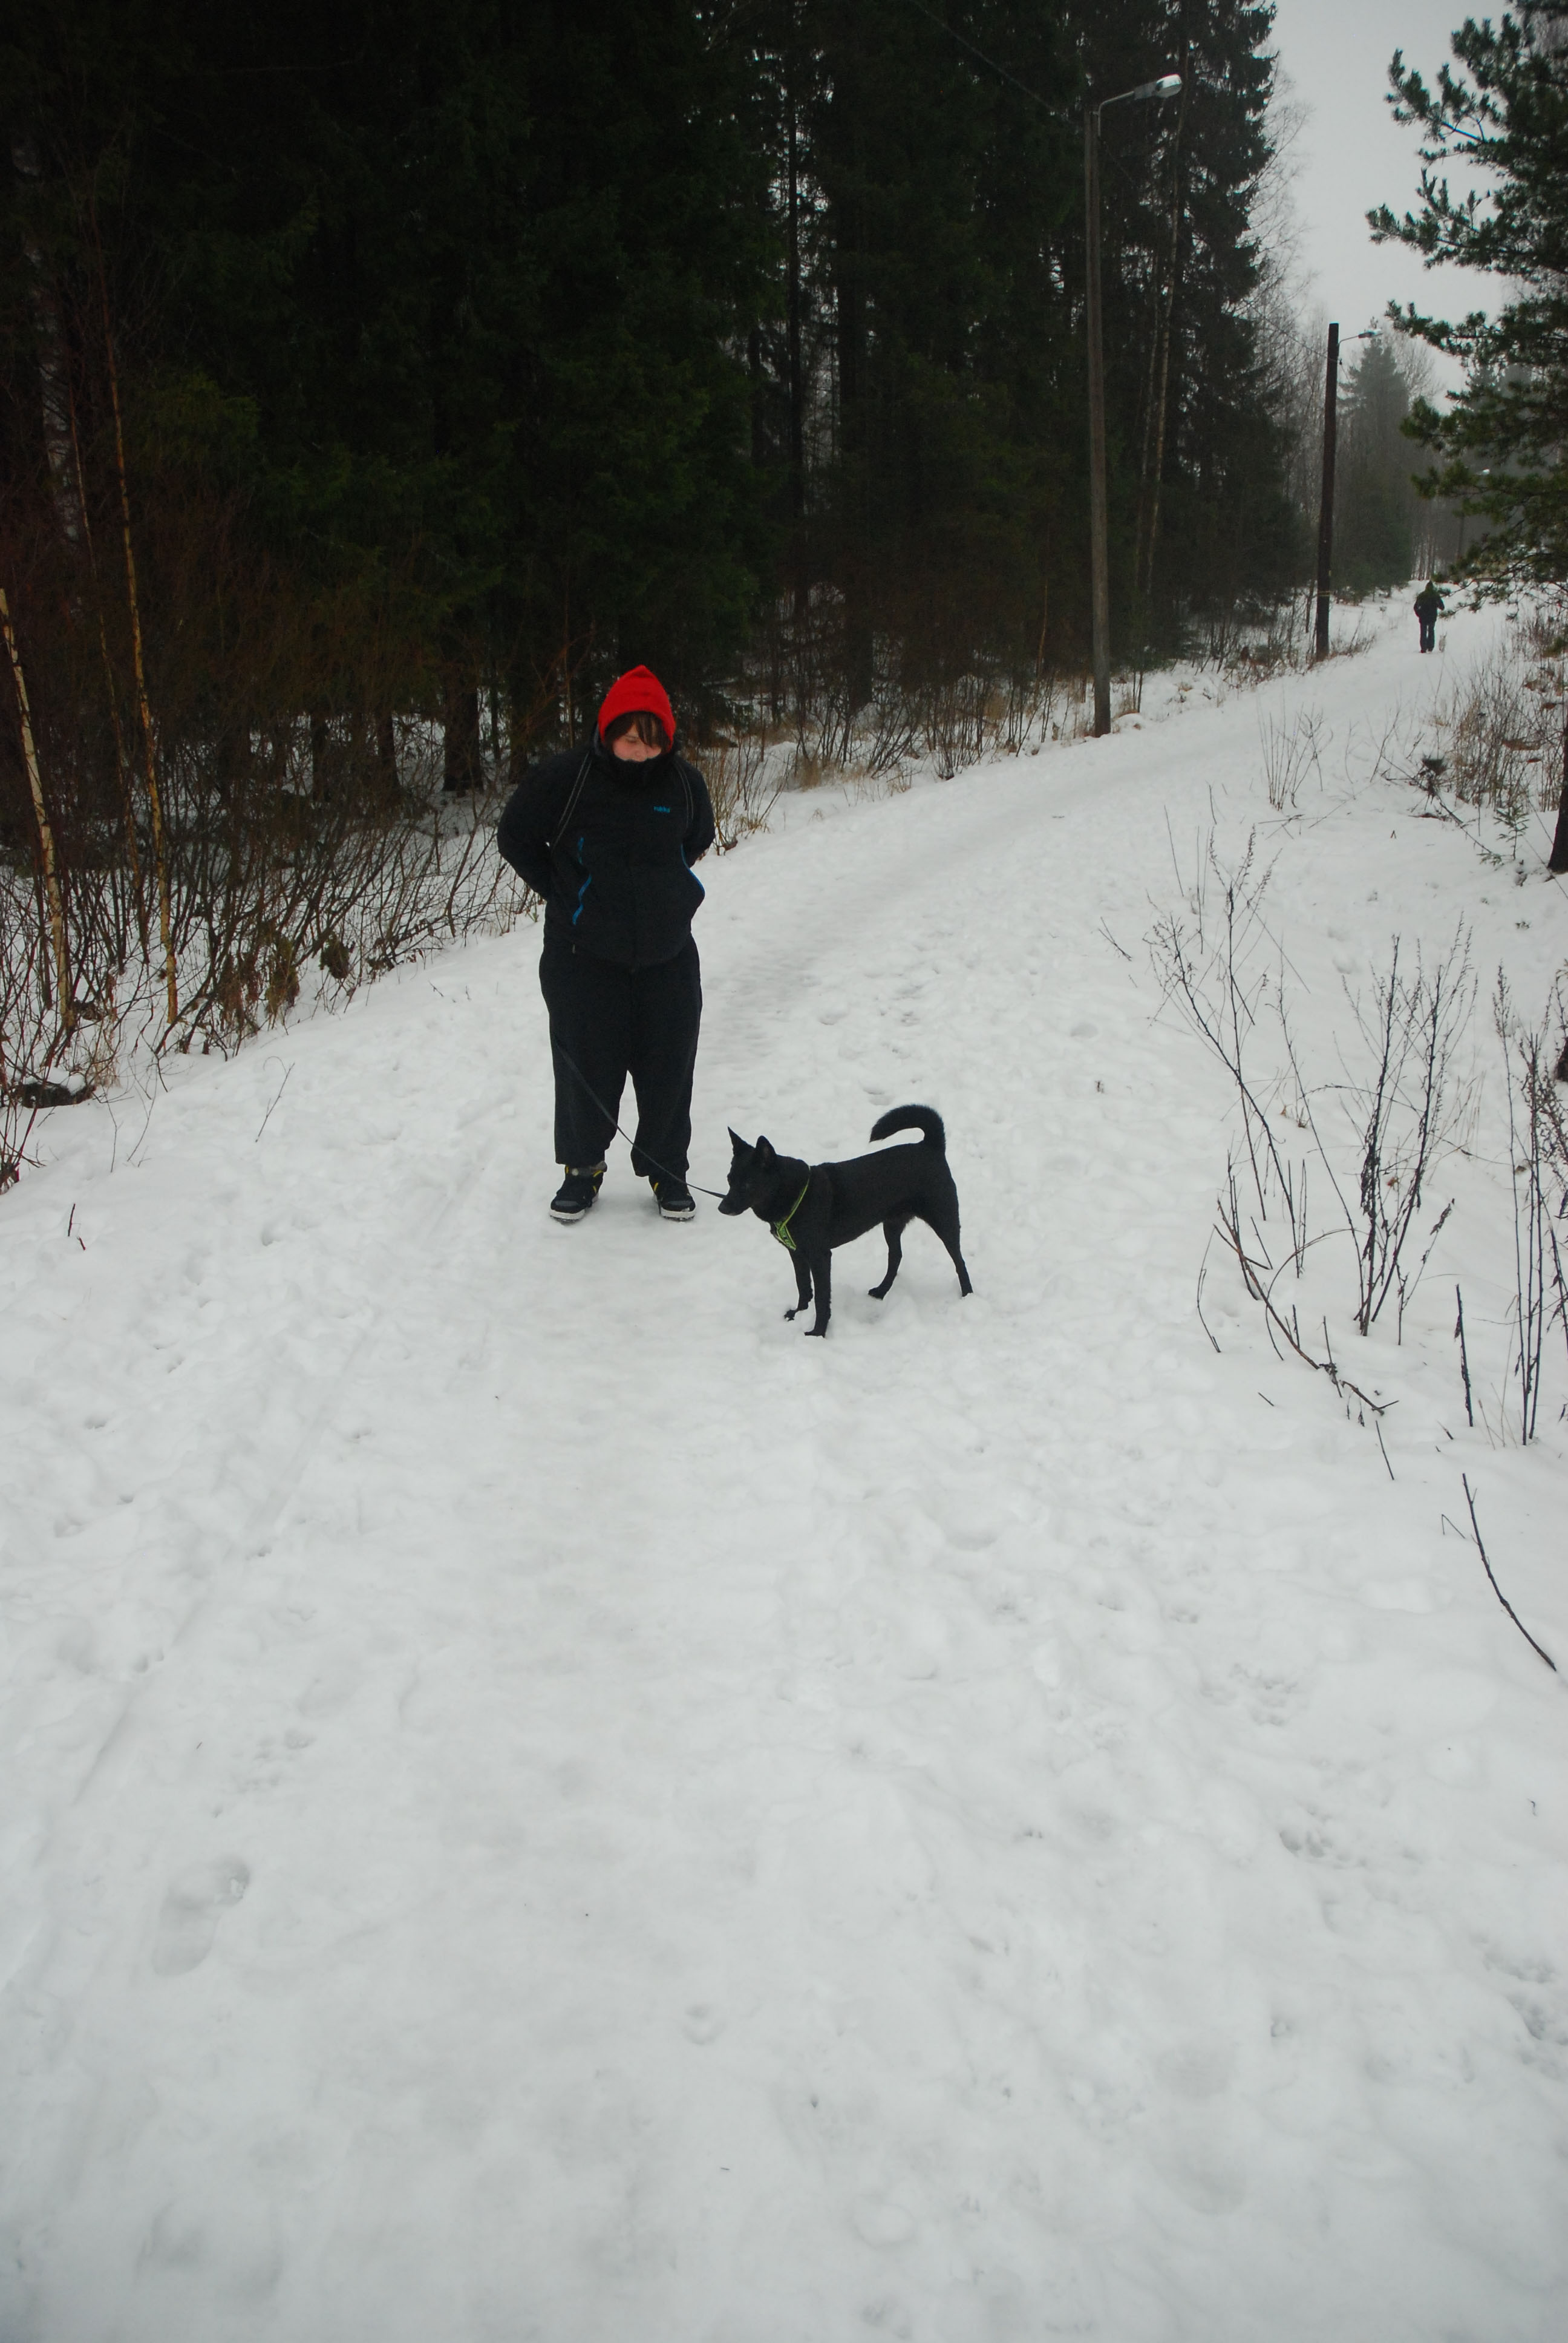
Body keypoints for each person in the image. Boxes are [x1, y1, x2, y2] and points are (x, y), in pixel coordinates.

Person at [497, 666, 716, 1223]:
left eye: (653, 741)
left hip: (668, 956)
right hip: (582, 956)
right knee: (585, 1067)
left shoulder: (684, 785)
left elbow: (697, 839)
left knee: (669, 1066)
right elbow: (515, 835)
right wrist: (564, 892)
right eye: (630, 739)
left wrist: (664, 895)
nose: (640, 753)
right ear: (608, 733)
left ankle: (668, 1169)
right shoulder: (567, 779)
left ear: (668, 741)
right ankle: (582, 1168)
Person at [1414, 578, 1446, 653]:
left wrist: (1419, 614)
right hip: (1432, 616)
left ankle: (1423, 648)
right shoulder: (1436, 595)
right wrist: (1438, 606)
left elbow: (1416, 607)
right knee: (1431, 631)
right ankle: (1430, 647)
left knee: (1423, 632)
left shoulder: (1422, 595)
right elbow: (1442, 607)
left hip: (1423, 616)